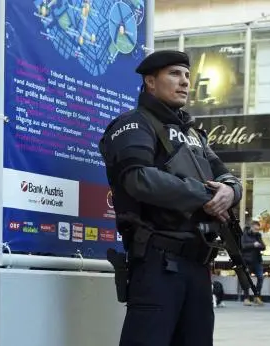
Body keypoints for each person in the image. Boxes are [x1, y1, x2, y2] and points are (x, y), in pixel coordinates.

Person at [99, 50, 243, 346]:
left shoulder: (192, 134)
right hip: (157, 262)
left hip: (198, 262)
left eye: (187, 75)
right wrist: (203, 195)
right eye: (174, 74)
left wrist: (230, 191)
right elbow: (138, 178)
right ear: (150, 81)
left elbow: (226, 176)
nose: (184, 82)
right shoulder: (134, 124)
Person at [241, 220, 266, 306]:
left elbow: (263, 247)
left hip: (257, 261)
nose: (257, 231)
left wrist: (259, 245)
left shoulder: (258, 235)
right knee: (247, 280)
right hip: (247, 261)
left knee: (260, 278)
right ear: (251, 227)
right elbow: (242, 246)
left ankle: (257, 297)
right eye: (255, 229)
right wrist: (253, 244)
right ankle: (246, 298)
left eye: (258, 229)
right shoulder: (244, 234)